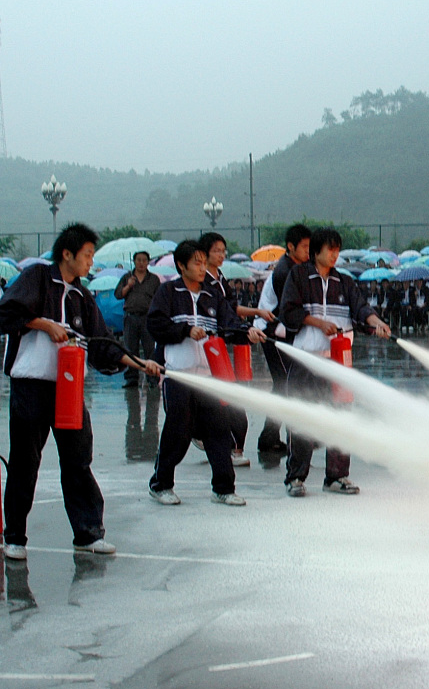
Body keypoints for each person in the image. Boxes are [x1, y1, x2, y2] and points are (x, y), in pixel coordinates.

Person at [1, 223, 162, 560]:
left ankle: (88, 533)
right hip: (31, 385)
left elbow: (102, 344)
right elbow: (7, 312)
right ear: (67, 254)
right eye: (87, 255)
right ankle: (14, 536)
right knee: (25, 462)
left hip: (69, 389)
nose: (90, 262)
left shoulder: (82, 297)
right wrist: (45, 325)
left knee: (78, 460)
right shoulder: (36, 278)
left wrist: (139, 363)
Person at [146, 240, 265, 506]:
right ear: (181, 265)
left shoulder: (213, 295)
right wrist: (186, 331)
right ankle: (160, 484)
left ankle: (223, 488)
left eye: (204, 263)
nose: (202, 268)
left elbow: (228, 323)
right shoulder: (169, 292)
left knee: (218, 432)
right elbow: (155, 324)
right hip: (179, 376)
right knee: (177, 433)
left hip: (209, 378)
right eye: (197, 263)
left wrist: (246, 332)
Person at [279, 227, 391, 497]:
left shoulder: (344, 282)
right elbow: (288, 311)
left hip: (338, 362)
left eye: (337, 249)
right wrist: (319, 323)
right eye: (330, 249)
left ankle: (337, 476)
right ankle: (296, 477)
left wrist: (376, 322)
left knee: (341, 418)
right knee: (304, 417)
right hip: (308, 359)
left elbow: (360, 308)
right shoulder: (299, 276)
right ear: (316, 251)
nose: (334, 254)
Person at [198, 232, 274, 467]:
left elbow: (230, 310)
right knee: (223, 403)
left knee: (231, 401)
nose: (221, 255)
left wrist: (256, 314)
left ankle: (230, 447)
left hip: (224, 346)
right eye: (216, 251)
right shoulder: (201, 283)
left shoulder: (220, 279)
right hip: (207, 350)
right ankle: (222, 445)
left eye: (223, 251)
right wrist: (243, 329)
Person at [253, 223, 310, 453]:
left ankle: (270, 437)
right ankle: (290, 437)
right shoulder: (285, 272)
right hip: (271, 332)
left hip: (281, 332)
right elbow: (291, 309)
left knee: (284, 385)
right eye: (304, 247)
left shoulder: (296, 267)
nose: (308, 251)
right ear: (291, 247)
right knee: (286, 384)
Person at [115, 250, 159, 389]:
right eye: (138, 260)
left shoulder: (154, 279)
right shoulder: (127, 277)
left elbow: (158, 298)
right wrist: (128, 285)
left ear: (148, 262)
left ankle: (152, 378)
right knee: (130, 349)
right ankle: (132, 378)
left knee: (149, 349)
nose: (141, 263)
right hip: (131, 317)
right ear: (134, 262)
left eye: (144, 260)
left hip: (147, 317)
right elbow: (118, 295)